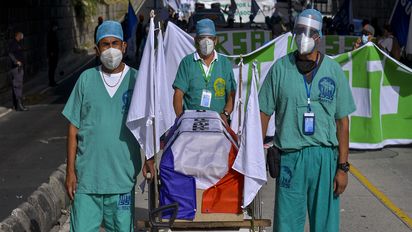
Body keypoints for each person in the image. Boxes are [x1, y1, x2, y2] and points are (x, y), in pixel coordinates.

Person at [259, 9, 356, 232]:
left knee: (325, 225)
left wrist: (343, 168)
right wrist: (256, 157)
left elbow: (343, 123)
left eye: (310, 32)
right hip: (290, 159)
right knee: (287, 224)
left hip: (325, 159)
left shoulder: (333, 71)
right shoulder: (280, 69)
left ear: (318, 37)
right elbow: (263, 113)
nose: (303, 36)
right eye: (299, 31)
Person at [63, 20, 154, 231]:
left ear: (124, 46)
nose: (111, 49)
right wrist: (70, 172)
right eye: (105, 44)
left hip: (121, 180)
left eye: (115, 43)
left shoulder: (136, 80)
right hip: (87, 181)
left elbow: (146, 124)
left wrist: (149, 158)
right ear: (97, 50)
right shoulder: (86, 80)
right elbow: (72, 128)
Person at [172, 18, 236, 124]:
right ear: (196, 40)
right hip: (191, 123)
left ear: (216, 40)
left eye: (210, 38)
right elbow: (178, 94)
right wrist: (181, 119)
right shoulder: (187, 62)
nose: (207, 42)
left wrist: (225, 114)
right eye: (202, 38)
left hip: (218, 123)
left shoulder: (225, 63)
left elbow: (232, 94)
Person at [8, 31, 28, 111]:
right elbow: (10, 53)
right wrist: (16, 62)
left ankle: (15, 105)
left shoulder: (18, 43)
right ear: (18, 36)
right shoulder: (13, 43)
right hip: (16, 69)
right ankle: (19, 106)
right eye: (21, 35)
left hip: (19, 68)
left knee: (16, 87)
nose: (22, 37)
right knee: (18, 86)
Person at [47, 21, 59, 87]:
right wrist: (51, 52)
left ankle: (52, 81)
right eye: (55, 26)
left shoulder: (54, 33)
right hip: (52, 54)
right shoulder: (50, 34)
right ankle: (51, 82)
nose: (56, 27)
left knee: (53, 68)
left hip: (55, 53)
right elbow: (49, 44)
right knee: (52, 68)